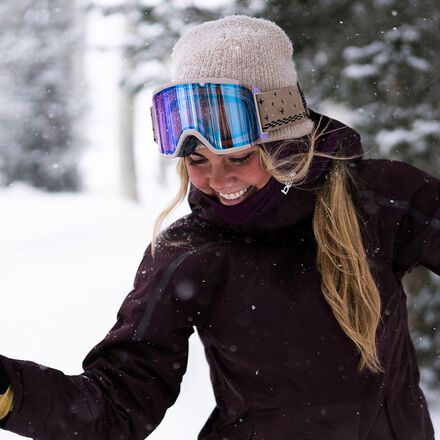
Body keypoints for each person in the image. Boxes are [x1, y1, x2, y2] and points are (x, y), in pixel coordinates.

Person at [0, 14, 438, 440]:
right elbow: (116, 405)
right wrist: (8, 392)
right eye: (197, 162)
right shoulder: (190, 254)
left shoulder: (379, 201)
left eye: (238, 158)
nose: (218, 181)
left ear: (282, 145)